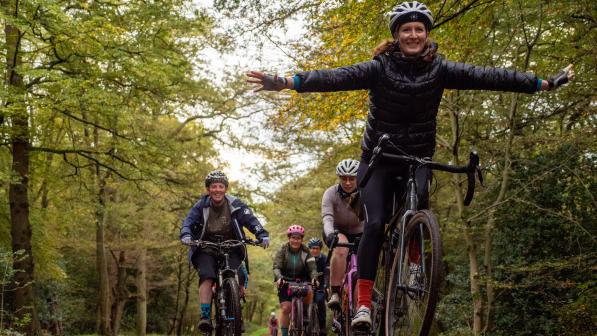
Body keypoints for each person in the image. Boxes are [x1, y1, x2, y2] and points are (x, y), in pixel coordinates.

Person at [247, 1, 574, 330]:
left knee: (418, 212)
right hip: (379, 159)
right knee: (374, 224)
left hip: (418, 157)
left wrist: (540, 84)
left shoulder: (440, 68)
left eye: (419, 29)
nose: (413, 35)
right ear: (397, 35)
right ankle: (362, 304)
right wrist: (289, 82)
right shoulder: (379, 67)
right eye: (407, 29)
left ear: (426, 34)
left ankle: (415, 263)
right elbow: (336, 77)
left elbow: (488, 76)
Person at [180, 170, 270, 332]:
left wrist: (261, 234)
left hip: (232, 245)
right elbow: (188, 221)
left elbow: (251, 220)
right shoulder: (201, 205)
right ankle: (205, 316)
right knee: (207, 276)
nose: (217, 190)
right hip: (206, 247)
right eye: (213, 186)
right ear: (208, 189)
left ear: (225, 189)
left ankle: (237, 313)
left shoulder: (236, 204)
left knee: (240, 274)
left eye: (221, 186)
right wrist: (186, 234)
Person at [321, 159, 364, 310]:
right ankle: (335, 292)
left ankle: (361, 304)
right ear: (339, 178)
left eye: (351, 178)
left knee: (365, 259)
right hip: (336, 230)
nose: (347, 182)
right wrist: (330, 233)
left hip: (361, 232)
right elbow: (327, 218)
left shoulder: (366, 192)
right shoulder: (330, 193)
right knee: (341, 248)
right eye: (343, 178)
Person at [273, 225, 319, 336]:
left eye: (298, 238)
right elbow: (276, 267)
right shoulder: (282, 250)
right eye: (293, 237)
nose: (295, 240)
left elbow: (312, 268)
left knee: (309, 290)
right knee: (285, 309)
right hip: (285, 281)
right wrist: (279, 278)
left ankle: (305, 313)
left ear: (301, 239)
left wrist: (314, 278)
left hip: (302, 280)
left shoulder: (306, 251)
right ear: (289, 238)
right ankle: (284, 334)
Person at [308, 237, 328, 336]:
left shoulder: (324, 259)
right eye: (312, 248)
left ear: (320, 249)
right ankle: (303, 324)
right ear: (309, 249)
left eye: (317, 248)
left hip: (320, 286)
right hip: (307, 285)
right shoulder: (305, 259)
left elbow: (327, 273)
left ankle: (322, 326)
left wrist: (326, 286)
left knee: (320, 301)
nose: (314, 250)